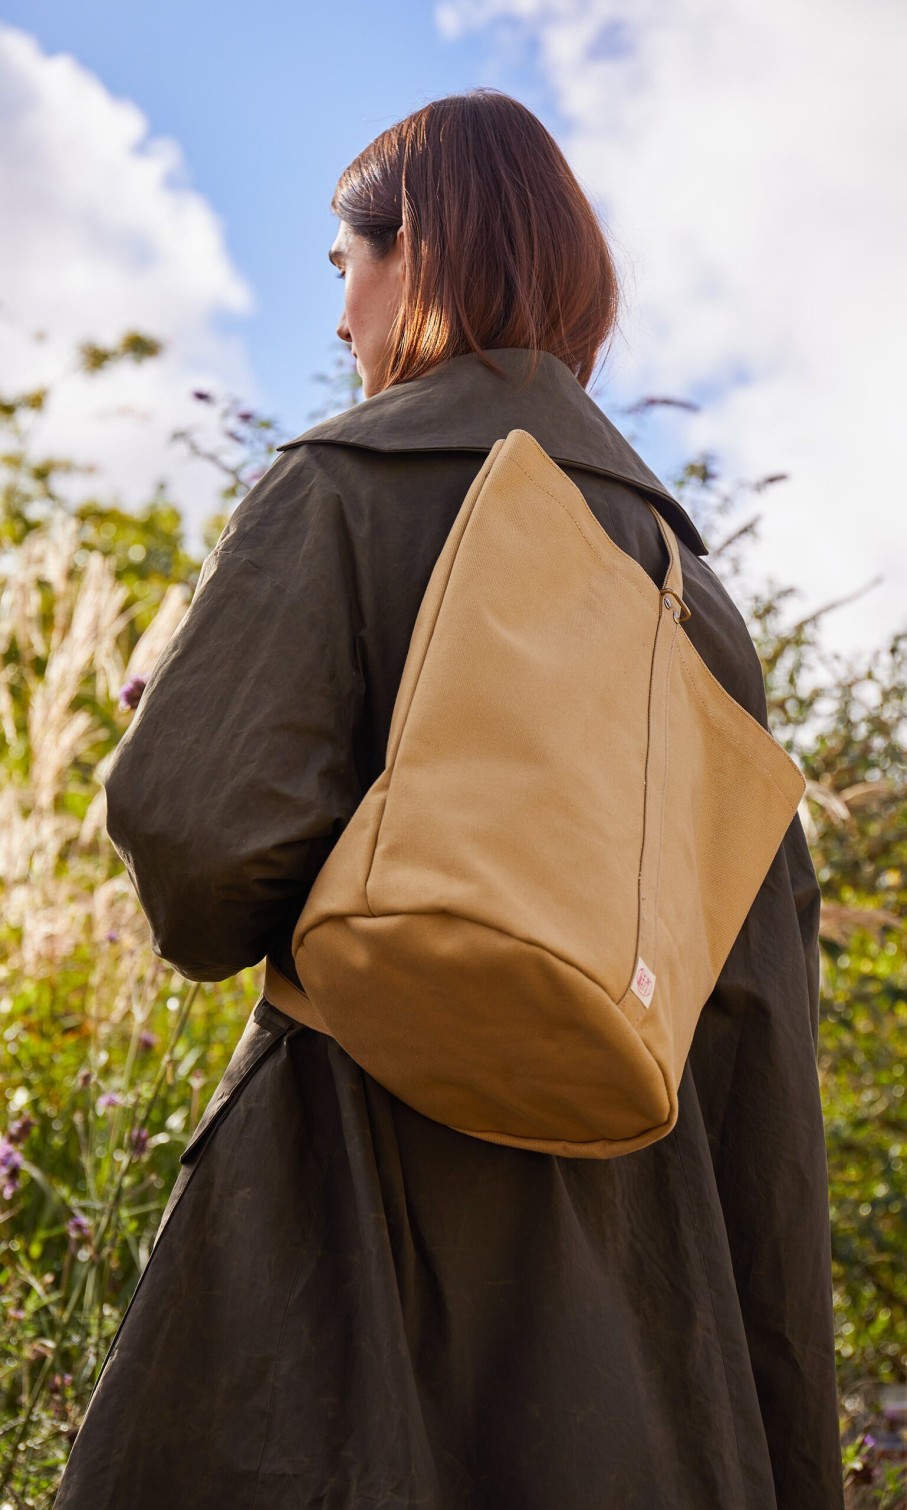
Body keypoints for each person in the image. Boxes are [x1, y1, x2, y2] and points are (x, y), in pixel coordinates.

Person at [54, 89, 845, 1510]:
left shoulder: (341, 490)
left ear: (414, 247)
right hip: (643, 1369)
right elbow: (761, 1066)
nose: (339, 319)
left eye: (343, 267)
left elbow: (197, 850)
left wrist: (190, 696)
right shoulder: (702, 613)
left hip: (327, 1305)